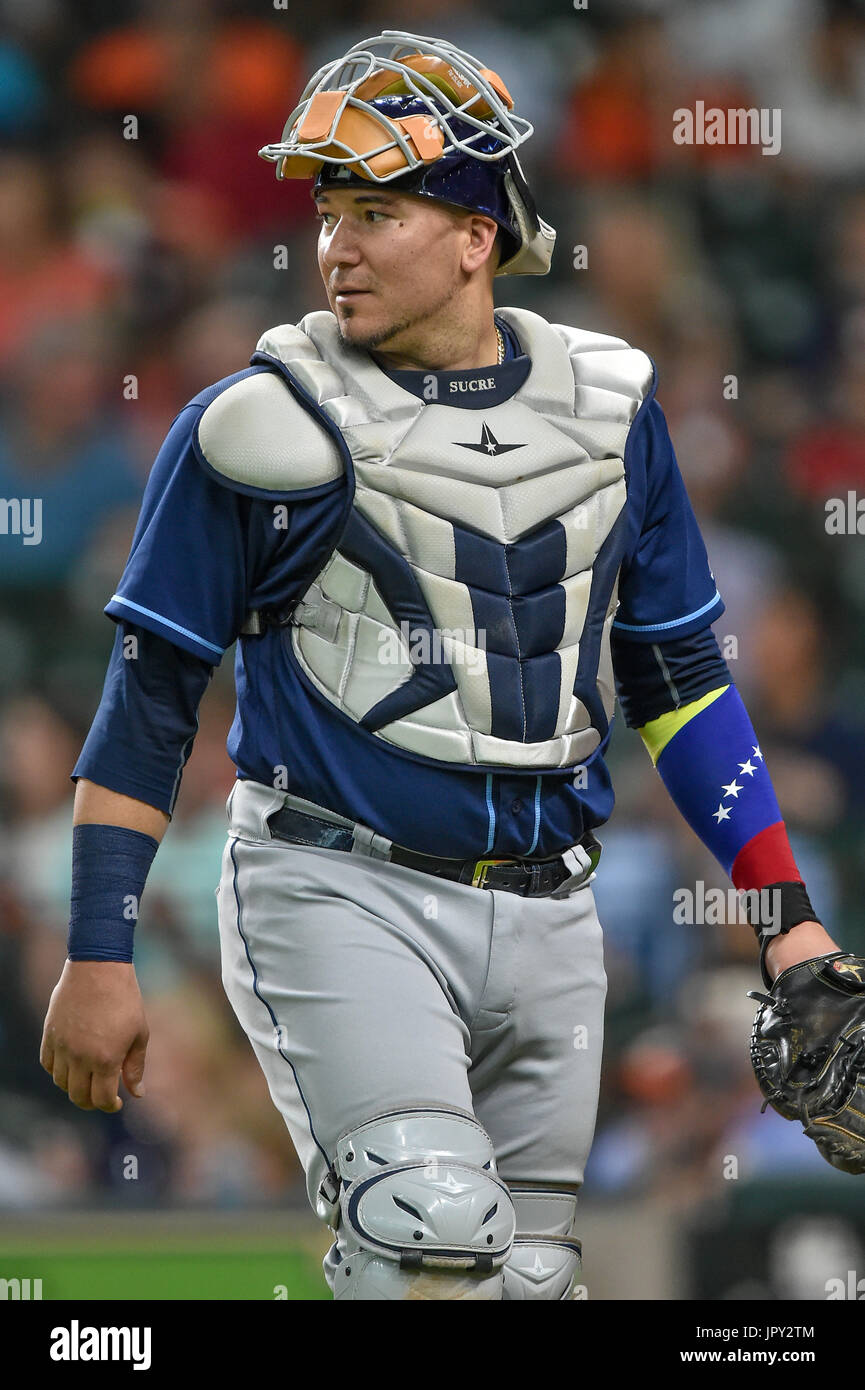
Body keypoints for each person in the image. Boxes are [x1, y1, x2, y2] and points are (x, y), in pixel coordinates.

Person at [40, 30, 843, 1300]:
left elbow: (681, 682)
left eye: (377, 209)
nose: (336, 245)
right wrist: (98, 950)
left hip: (552, 911)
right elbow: (148, 700)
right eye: (327, 212)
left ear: (476, 234)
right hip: (335, 884)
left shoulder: (609, 409)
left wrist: (785, 919)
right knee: (427, 1235)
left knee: (522, 1286)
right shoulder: (259, 424)